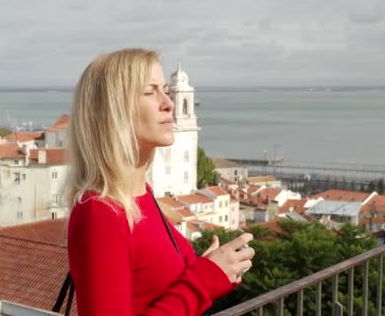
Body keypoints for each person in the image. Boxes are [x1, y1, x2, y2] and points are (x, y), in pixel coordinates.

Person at [66, 48, 255, 315]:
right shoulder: (101, 213)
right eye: (149, 91)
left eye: (165, 90)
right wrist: (205, 279)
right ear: (112, 112)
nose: (168, 102)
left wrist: (212, 268)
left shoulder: (141, 195)